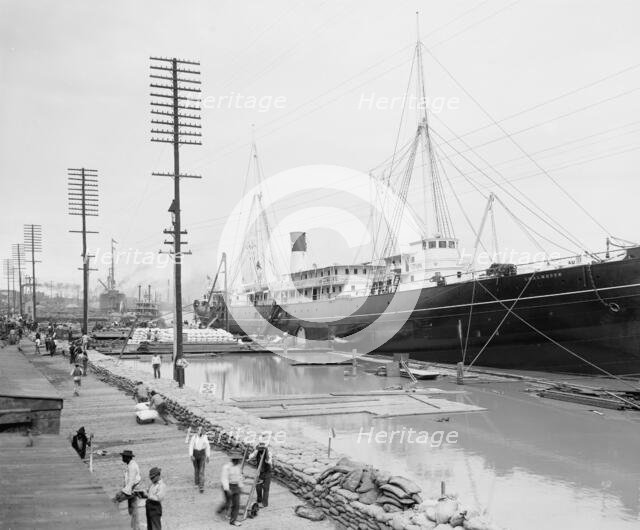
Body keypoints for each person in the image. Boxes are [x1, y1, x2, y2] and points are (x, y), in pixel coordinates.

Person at [113, 449, 142, 530]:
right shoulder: (130, 464)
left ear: (128, 458)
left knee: (115, 500)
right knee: (133, 510)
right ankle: (136, 527)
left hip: (131, 490)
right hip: (133, 490)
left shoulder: (132, 466)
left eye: (123, 457)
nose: (122, 458)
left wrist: (122, 492)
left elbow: (131, 481)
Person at [217, 450, 244, 526]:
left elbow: (240, 477)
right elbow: (224, 478)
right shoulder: (226, 467)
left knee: (236, 504)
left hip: (236, 487)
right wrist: (227, 489)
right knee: (228, 502)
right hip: (228, 486)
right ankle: (221, 509)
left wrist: (241, 486)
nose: (239, 461)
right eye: (238, 460)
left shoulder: (238, 467)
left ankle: (233, 520)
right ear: (234, 460)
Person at [248, 439, 273, 507]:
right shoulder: (257, 452)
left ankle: (265, 503)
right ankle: (259, 500)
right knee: (258, 486)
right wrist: (256, 450)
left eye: (262, 448)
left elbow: (269, 462)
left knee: (266, 488)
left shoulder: (269, 453)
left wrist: (266, 452)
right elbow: (250, 457)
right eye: (260, 448)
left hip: (267, 472)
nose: (261, 449)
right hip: (260, 472)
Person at [188, 425, 210, 493]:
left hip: (202, 454)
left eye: (201, 430)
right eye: (199, 430)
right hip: (195, 454)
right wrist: (191, 455)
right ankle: (196, 482)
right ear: (197, 431)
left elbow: (207, 447)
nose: (200, 432)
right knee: (196, 469)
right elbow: (191, 446)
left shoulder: (205, 437)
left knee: (201, 470)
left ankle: (201, 486)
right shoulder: (194, 437)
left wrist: (208, 456)